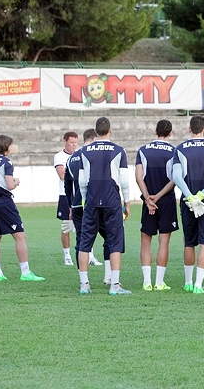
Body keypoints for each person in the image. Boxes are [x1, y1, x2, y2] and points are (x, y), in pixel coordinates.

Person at [77, 117, 131, 295]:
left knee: (85, 243)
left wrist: (85, 200)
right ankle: (114, 285)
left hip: (92, 200)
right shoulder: (118, 150)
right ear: (110, 130)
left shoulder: (85, 151)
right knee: (115, 241)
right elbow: (123, 180)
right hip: (112, 201)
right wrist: (127, 202)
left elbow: (82, 180)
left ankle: (84, 285)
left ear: (95, 131)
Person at [172, 115, 204, 294]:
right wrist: (201, 195)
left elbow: (176, 177)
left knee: (189, 242)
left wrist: (190, 197)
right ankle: (198, 285)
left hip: (188, 200)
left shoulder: (180, 149)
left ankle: (188, 282)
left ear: (189, 129)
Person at [0, 134, 45, 282]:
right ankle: (25, 272)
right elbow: (9, 185)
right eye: (10, 145)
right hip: (4, 203)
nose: (11, 147)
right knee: (20, 236)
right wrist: (15, 181)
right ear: (6, 146)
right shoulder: (6, 162)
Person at [135, 119, 178, 291]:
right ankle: (159, 282)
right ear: (170, 133)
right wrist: (158, 197)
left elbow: (138, 176)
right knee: (164, 241)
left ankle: (147, 282)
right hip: (166, 200)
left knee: (146, 241)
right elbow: (175, 179)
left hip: (148, 202)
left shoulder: (143, 150)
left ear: (155, 131)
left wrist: (148, 199)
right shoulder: (174, 152)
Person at [65, 129, 112, 284]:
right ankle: (108, 276)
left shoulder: (71, 159)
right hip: (98, 201)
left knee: (81, 240)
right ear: (94, 139)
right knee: (110, 238)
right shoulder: (94, 154)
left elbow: (67, 186)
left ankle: (83, 280)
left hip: (78, 204)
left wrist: (71, 206)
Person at [54, 131, 82, 266]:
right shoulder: (59, 157)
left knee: (83, 225)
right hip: (65, 194)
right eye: (71, 143)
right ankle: (67, 255)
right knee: (66, 226)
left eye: (76, 143)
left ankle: (89, 254)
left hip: (80, 194)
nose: (74, 145)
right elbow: (62, 175)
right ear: (65, 141)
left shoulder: (80, 154)